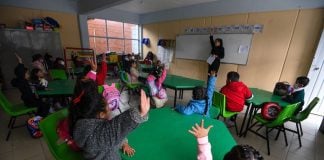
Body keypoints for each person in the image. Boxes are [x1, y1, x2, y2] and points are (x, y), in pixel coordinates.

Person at [68, 79, 150, 160]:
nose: (111, 110)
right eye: (109, 107)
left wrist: (123, 143)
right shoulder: (97, 135)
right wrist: (139, 113)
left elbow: (110, 134)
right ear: (101, 114)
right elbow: (111, 132)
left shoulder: (82, 121)